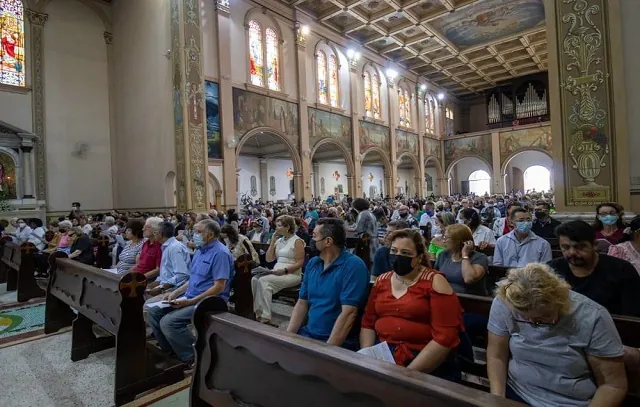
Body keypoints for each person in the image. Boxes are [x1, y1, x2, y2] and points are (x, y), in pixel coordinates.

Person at [487, 263, 628, 407]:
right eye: (525, 317)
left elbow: (612, 386)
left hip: (571, 402)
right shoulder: (506, 302)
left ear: (559, 299)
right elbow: (496, 355)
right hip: (519, 393)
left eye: (543, 317)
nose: (534, 323)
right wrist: (498, 400)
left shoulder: (593, 316)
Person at [361, 229, 462, 379]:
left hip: (422, 359)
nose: (398, 257)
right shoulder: (382, 281)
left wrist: (407, 375)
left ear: (419, 257)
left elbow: (445, 337)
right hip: (383, 355)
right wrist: (367, 358)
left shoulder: (434, 281)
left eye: (406, 253)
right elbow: (368, 323)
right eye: (394, 251)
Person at [146, 219, 233, 364]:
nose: (194, 235)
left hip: (210, 300)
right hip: (190, 296)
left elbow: (219, 286)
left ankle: (194, 357)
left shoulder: (220, 253)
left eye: (198, 232)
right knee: (153, 312)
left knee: (169, 323)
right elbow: (192, 279)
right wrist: (175, 292)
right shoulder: (200, 251)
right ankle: (170, 351)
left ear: (210, 235)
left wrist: (191, 301)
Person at [287, 218, 369, 350]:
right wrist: (288, 336)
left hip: (336, 342)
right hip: (309, 334)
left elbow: (349, 314)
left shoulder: (353, 266)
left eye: (314, 236)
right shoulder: (314, 263)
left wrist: (327, 352)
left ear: (328, 241)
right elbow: (302, 302)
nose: (311, 240)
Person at [548, 220, 640, 316]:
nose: (572, 252)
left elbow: (631, 317)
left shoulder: (621, 270)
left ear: (595, 245)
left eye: (580, 247)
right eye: (565, 247)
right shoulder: (551, 270)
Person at [252, 215, 305, 324]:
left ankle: (265, 316)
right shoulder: (279, 240)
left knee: (264, 281)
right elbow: (269, 259)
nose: (276, 228)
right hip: (277, 272)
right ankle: (258, 311)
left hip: (292, 274)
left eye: (279, 226)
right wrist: (273, 241)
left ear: (288, 227)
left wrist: (285, 270)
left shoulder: (297, 241)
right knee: (255, 279)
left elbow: (300, 262)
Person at [434, 224, 489, 296]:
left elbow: (469, 279)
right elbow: (435, 277)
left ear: (459, 240)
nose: (444, 241)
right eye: (444, 237)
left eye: (447, 238)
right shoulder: (443, 255)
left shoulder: (480, 257)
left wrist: (465, 255)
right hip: (447, 297)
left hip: (471, 301)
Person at [145, 221, 191, 297]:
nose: (154, 234)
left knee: (147, 306)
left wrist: (161, 288)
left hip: (176, 288)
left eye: (155, 232)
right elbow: (165, 273)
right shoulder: (167, 246)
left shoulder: (174, 248)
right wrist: (151, 285)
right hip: (168, 285)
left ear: (161, 234)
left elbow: (182, 275)